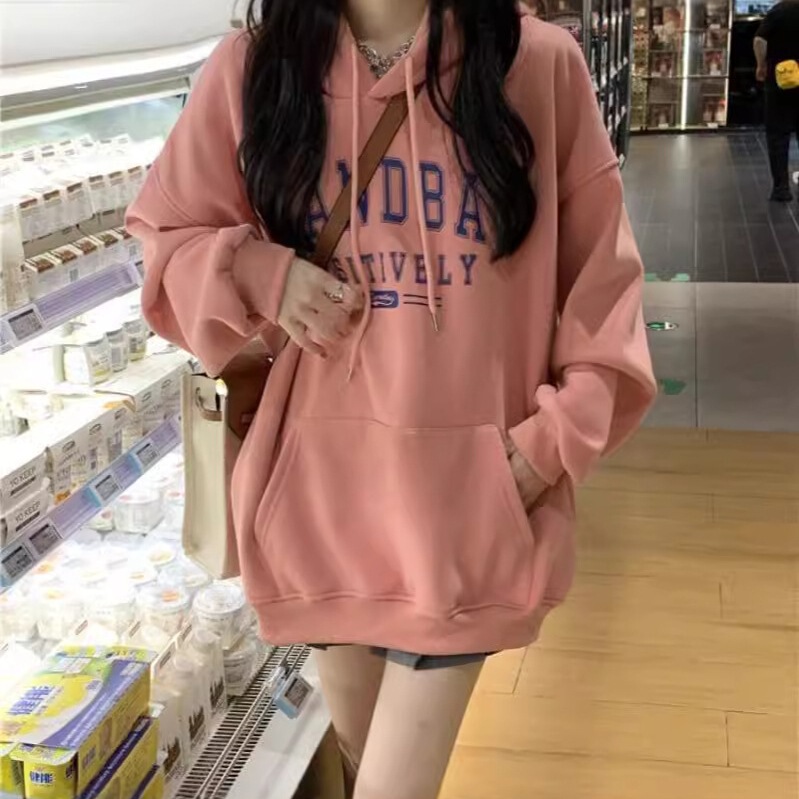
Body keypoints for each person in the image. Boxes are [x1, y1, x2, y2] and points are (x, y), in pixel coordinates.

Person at [127, 1, 656, 796]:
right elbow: (166, 241)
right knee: (362, 764)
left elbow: (603, 288)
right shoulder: (252, 69)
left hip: (463, 517)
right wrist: (262, 275)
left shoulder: (535, 64)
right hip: (318, 509)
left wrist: (547, 446)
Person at [754, 0, 799, 202]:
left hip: (780, 81)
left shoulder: (779, 11)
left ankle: (781, 189)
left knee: (778, 136)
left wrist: (761, 64)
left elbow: (759, 40)